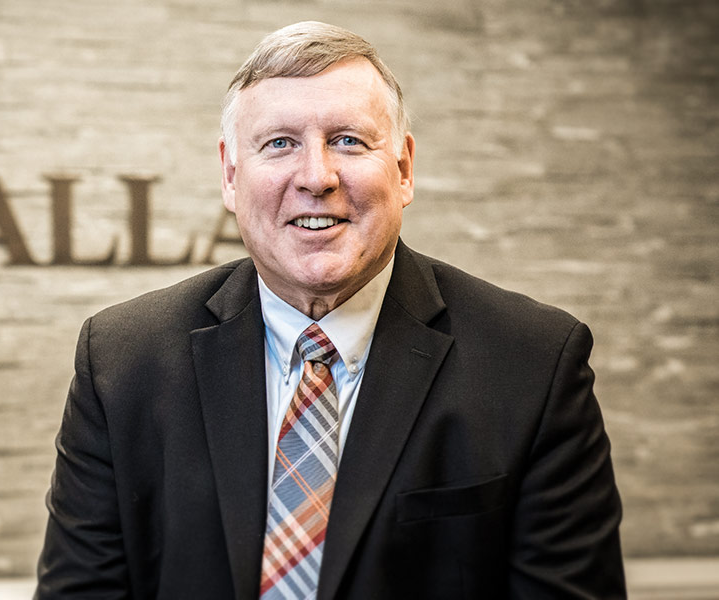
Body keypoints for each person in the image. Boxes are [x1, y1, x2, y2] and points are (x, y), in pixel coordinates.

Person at [35, 21, 625, 600]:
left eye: (348, 139)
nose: (317, 177)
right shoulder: (120, 361)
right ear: (231, 175)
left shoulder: (534, 363)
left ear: (403, 168)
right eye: (279, 144)